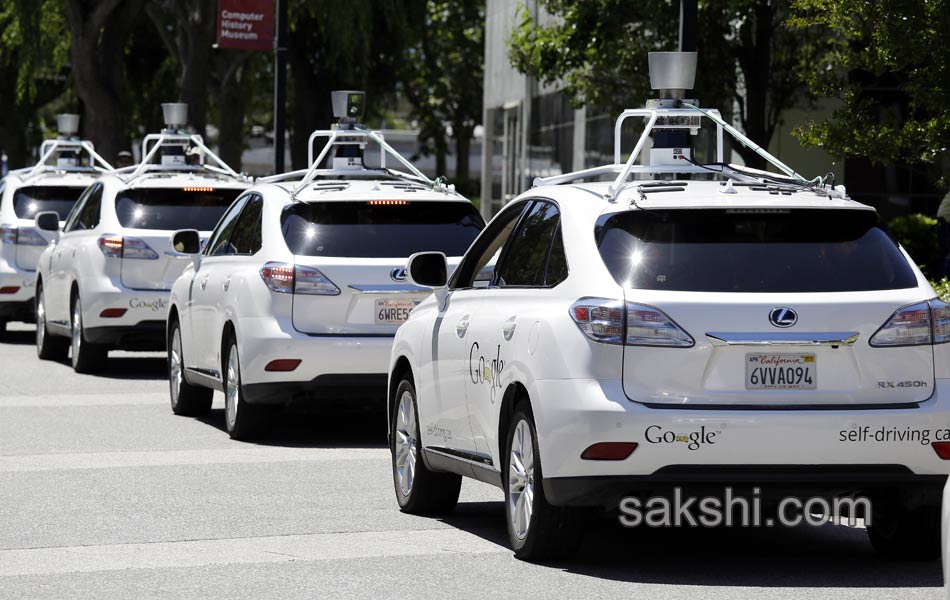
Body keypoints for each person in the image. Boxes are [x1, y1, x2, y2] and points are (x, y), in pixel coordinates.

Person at [937, 190, 950, 278]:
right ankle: (944, 277)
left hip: (944, 220)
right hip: (946, 220)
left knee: (945, 252)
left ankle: (943, 278)